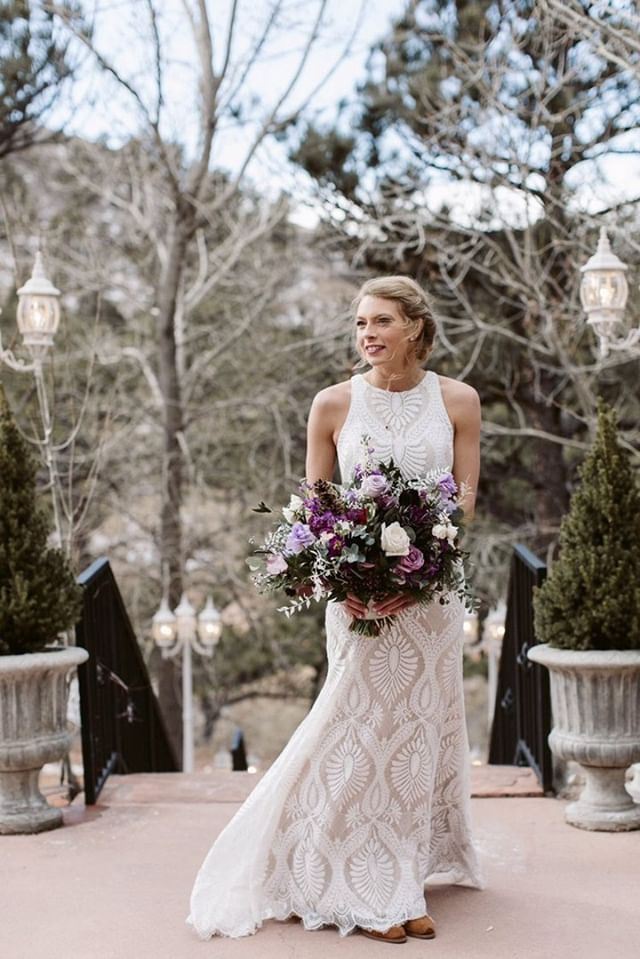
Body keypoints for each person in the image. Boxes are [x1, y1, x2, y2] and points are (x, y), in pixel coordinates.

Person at [186, 275, 485, 944]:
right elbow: (316, 510)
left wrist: (429, 564)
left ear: (414, 326)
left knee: (415, 732)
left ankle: (403, 875)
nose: (367, 334)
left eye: (381, 320)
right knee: (355, 726)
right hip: (359, 599)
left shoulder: (459, 401)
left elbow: (463, 504)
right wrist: (341, 577)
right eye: (358, 324)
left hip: (429, 599)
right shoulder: (332, 404)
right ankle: (342, 868)